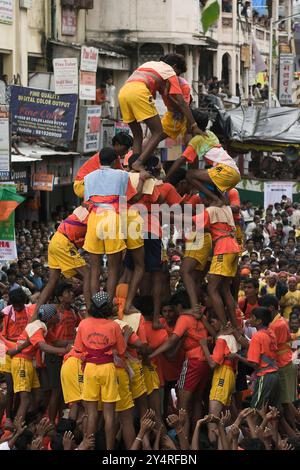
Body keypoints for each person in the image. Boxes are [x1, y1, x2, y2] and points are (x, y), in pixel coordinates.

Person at [118, 54, 203, 171]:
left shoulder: (149, 65)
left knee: (138, 135)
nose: (177, 76)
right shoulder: (169, 72)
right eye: (178, 73)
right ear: (174, 67)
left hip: (123, 92)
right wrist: (194, 125)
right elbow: (182, 104)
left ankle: (133, 166)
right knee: (157, 132)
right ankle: (138, 163)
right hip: (140, 93)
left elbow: (151, 95)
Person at [73, 291, 126, 449]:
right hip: (108, 368)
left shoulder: (83, 324)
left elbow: (78, 349)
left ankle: (89, 446)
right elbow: (122, 351)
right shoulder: (114, 325)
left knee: (91, 413)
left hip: (89, 369)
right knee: (109, 414)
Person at [7, 304, 70, 420]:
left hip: (27, 361)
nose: (59, 316)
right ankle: (17, 428)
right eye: (56, 314)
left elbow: (55, 342)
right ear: (50, 318)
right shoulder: (38, 328)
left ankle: (27, 421)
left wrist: (73, 343)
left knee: (38, 397)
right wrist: (63, 351)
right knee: (25, 400)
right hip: (21, 361)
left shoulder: (43, 327)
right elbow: (43, 346)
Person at [33, 204, 91, 315]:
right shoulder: (93, 212)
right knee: (88, 275)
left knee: (52, 282)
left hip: (56, 240)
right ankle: (90, 313)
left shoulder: (83, 209)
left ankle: (35, 315)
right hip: (64, 242)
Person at [260, 295, 299, 431]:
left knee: (285, 402)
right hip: (286, 361)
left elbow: (269, 345)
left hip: (284, 364)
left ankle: (294, 430)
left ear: (270, 308)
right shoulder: (280, 320)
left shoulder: (277, 324)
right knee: (286, 401)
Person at [199, 312, 239, 443]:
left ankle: (213, 444)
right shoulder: (231, 336)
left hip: (222, 374)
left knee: (213, 417)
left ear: (222, 321)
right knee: (225, 416)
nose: (211, 325)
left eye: (213, 321)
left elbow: (212, 364)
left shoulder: (221, 339)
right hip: (230, 375)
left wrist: (204, 345)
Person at [234, 307, 280, 410]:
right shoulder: (270, 332)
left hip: (265, 376)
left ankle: (255, 426)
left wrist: (237, 357)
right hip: (275, 375)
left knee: (256, 410)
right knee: (273, 411)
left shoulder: (257, 336)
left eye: (252, 318)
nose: (249, 320)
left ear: (259, 321)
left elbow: (254, 364)